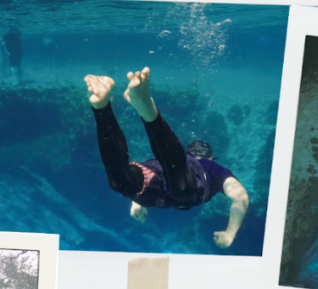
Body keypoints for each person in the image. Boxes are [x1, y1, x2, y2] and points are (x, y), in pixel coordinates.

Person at [84, 67, 250, 248]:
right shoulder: (214, 170)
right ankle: (145, 113)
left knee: (121, 181)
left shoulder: (183, 158)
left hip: (155, 178)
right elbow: (241, 197)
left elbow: (164, 160)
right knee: (181, 184)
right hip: (179, 187)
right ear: (209, 158)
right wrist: (230, 234)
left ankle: (103, 107)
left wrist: (136, 200)